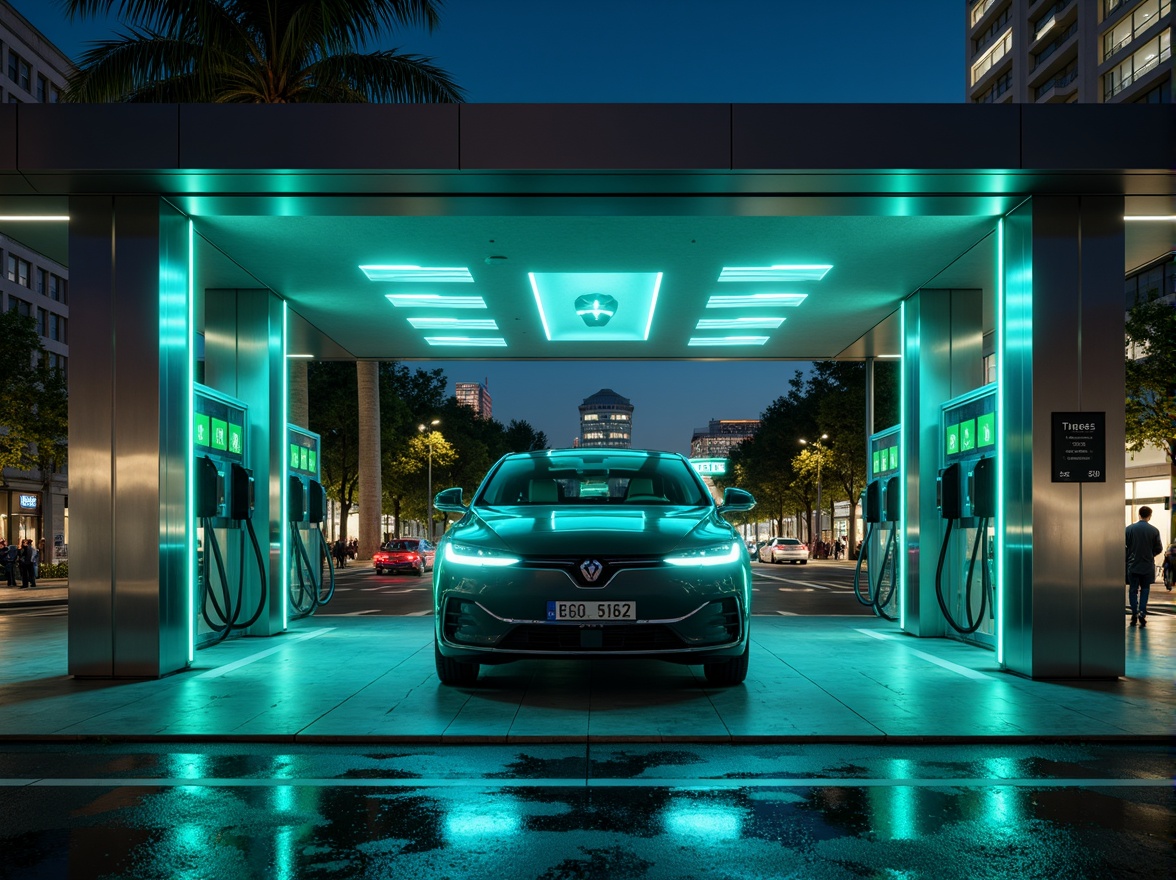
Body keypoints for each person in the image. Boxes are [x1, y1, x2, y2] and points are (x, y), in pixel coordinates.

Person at [1125, 506, 1163, 627]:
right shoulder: (1154, 531)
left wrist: (1128, 557)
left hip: (1133, 565)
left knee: (1133, 589)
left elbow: (1124, 546)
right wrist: (1150, 554)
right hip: (1147, 566)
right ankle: (1142, 612)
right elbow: (1159, 548)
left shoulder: (1129, 529)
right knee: (1145, 589)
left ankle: (1134, 613)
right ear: (1150, 516)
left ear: (1139, 514)